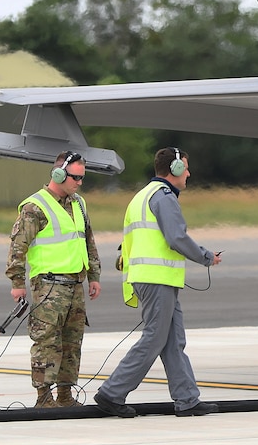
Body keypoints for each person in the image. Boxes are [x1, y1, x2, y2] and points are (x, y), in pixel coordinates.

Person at [93, 147, 226, 418]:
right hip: (156, 279)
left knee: (173, 340)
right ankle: (112, 392)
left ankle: (187, 400)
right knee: (155, 338)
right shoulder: (163, 197)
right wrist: (206, 257)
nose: (188, 173)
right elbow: (176, 237)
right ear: (174, 169)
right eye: (185, 168)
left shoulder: (142, 196)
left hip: (153, 278)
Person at [6, 151, 102, 409]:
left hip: (75, 285)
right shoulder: (34, 207)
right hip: (49, 286)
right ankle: (44, 397)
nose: (79, 183)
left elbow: (88, 240)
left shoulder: (78, 204)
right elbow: (18, 246)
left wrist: (94, 275)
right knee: (46, 341)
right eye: (75, 178)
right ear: (58, 174)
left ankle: (66, 395)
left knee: (72, 342)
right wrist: (17, 283)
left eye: (82, 178)